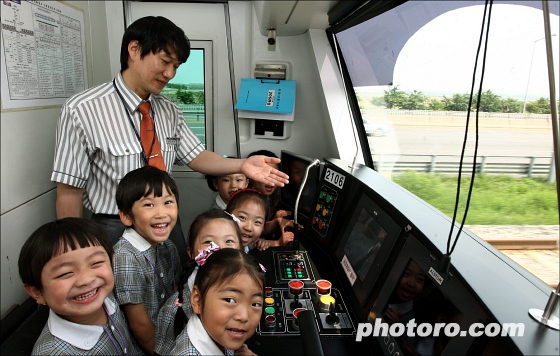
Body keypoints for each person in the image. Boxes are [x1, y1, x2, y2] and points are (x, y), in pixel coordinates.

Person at [51, 16, 288, 264]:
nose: (170, 73)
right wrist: (74, 252)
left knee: (175, 287)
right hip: (115, 226)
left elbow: (197, 156)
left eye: (176, 66)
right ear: (134, 50)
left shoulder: (170, 110)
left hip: (167, 223)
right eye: (165, 62)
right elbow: (69, 190)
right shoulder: (81, 110)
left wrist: (241, 165)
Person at [18, 218, 142, 355]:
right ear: (37, 292)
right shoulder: (52, 352)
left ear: (111, 261)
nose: (86, 280)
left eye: (96, 263)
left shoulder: (108, 299)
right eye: (65, 273)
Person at [112, 166, 182, 355]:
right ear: (127, 216)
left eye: (168, 202)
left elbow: (175, 292)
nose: (161, 213)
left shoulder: (168, 246)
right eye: (149, 205)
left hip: (169, 331)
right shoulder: (126, 257)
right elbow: (139, 325)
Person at [154, 210, 242, 356]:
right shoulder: (173, 311)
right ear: (191, 253)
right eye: (209, 242)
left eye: (229, 241)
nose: (219, 249)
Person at [170, 248, 264, 355]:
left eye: (255, 304)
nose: (244, 316)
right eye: (230, 300)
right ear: (198, 300)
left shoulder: (217, 333)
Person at [225, 188, 292, 252]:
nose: (248, 228)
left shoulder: (248, 244)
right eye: (243, 217)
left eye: (257, 222)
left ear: (263, 227)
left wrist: (277, 243)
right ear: (226, 215)